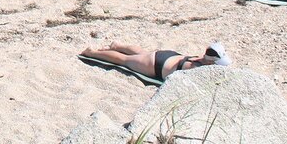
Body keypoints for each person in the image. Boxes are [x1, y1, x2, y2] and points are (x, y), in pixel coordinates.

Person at [81, 41, 230, 81]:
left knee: (142, 53)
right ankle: (92, 52)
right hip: (156, 65)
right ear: (211, 63)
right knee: (124, 60)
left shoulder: (202, 59)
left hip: (168, 56)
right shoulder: (195, 69)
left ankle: (118, 45)